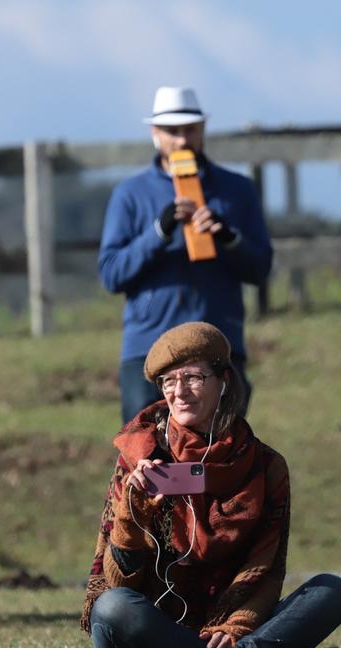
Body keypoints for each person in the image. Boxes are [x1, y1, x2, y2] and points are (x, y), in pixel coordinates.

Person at [80, 321, 341, 648]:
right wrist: (132, 517)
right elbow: (114, 584)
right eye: (168, 381)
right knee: (112, 609)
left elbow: (268, 572)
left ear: (223, 380)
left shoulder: (265, 467)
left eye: (192, 377)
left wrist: (235, 627)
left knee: (330, 591)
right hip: (146, 639)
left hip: (227, 631)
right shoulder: (137, 459)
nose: (179, 392)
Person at [98, 86, 273, 424]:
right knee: (146, 457)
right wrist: (158, 233)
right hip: (148, 346)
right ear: (155, 134)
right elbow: (111, 274)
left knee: (221, 455)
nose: (181, 140)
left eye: (189, 130)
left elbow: (261, 267)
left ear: (202, 130)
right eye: (171, 131)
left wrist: (227, 237)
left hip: (218, 342)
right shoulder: (130, 194)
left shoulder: (236, 190)